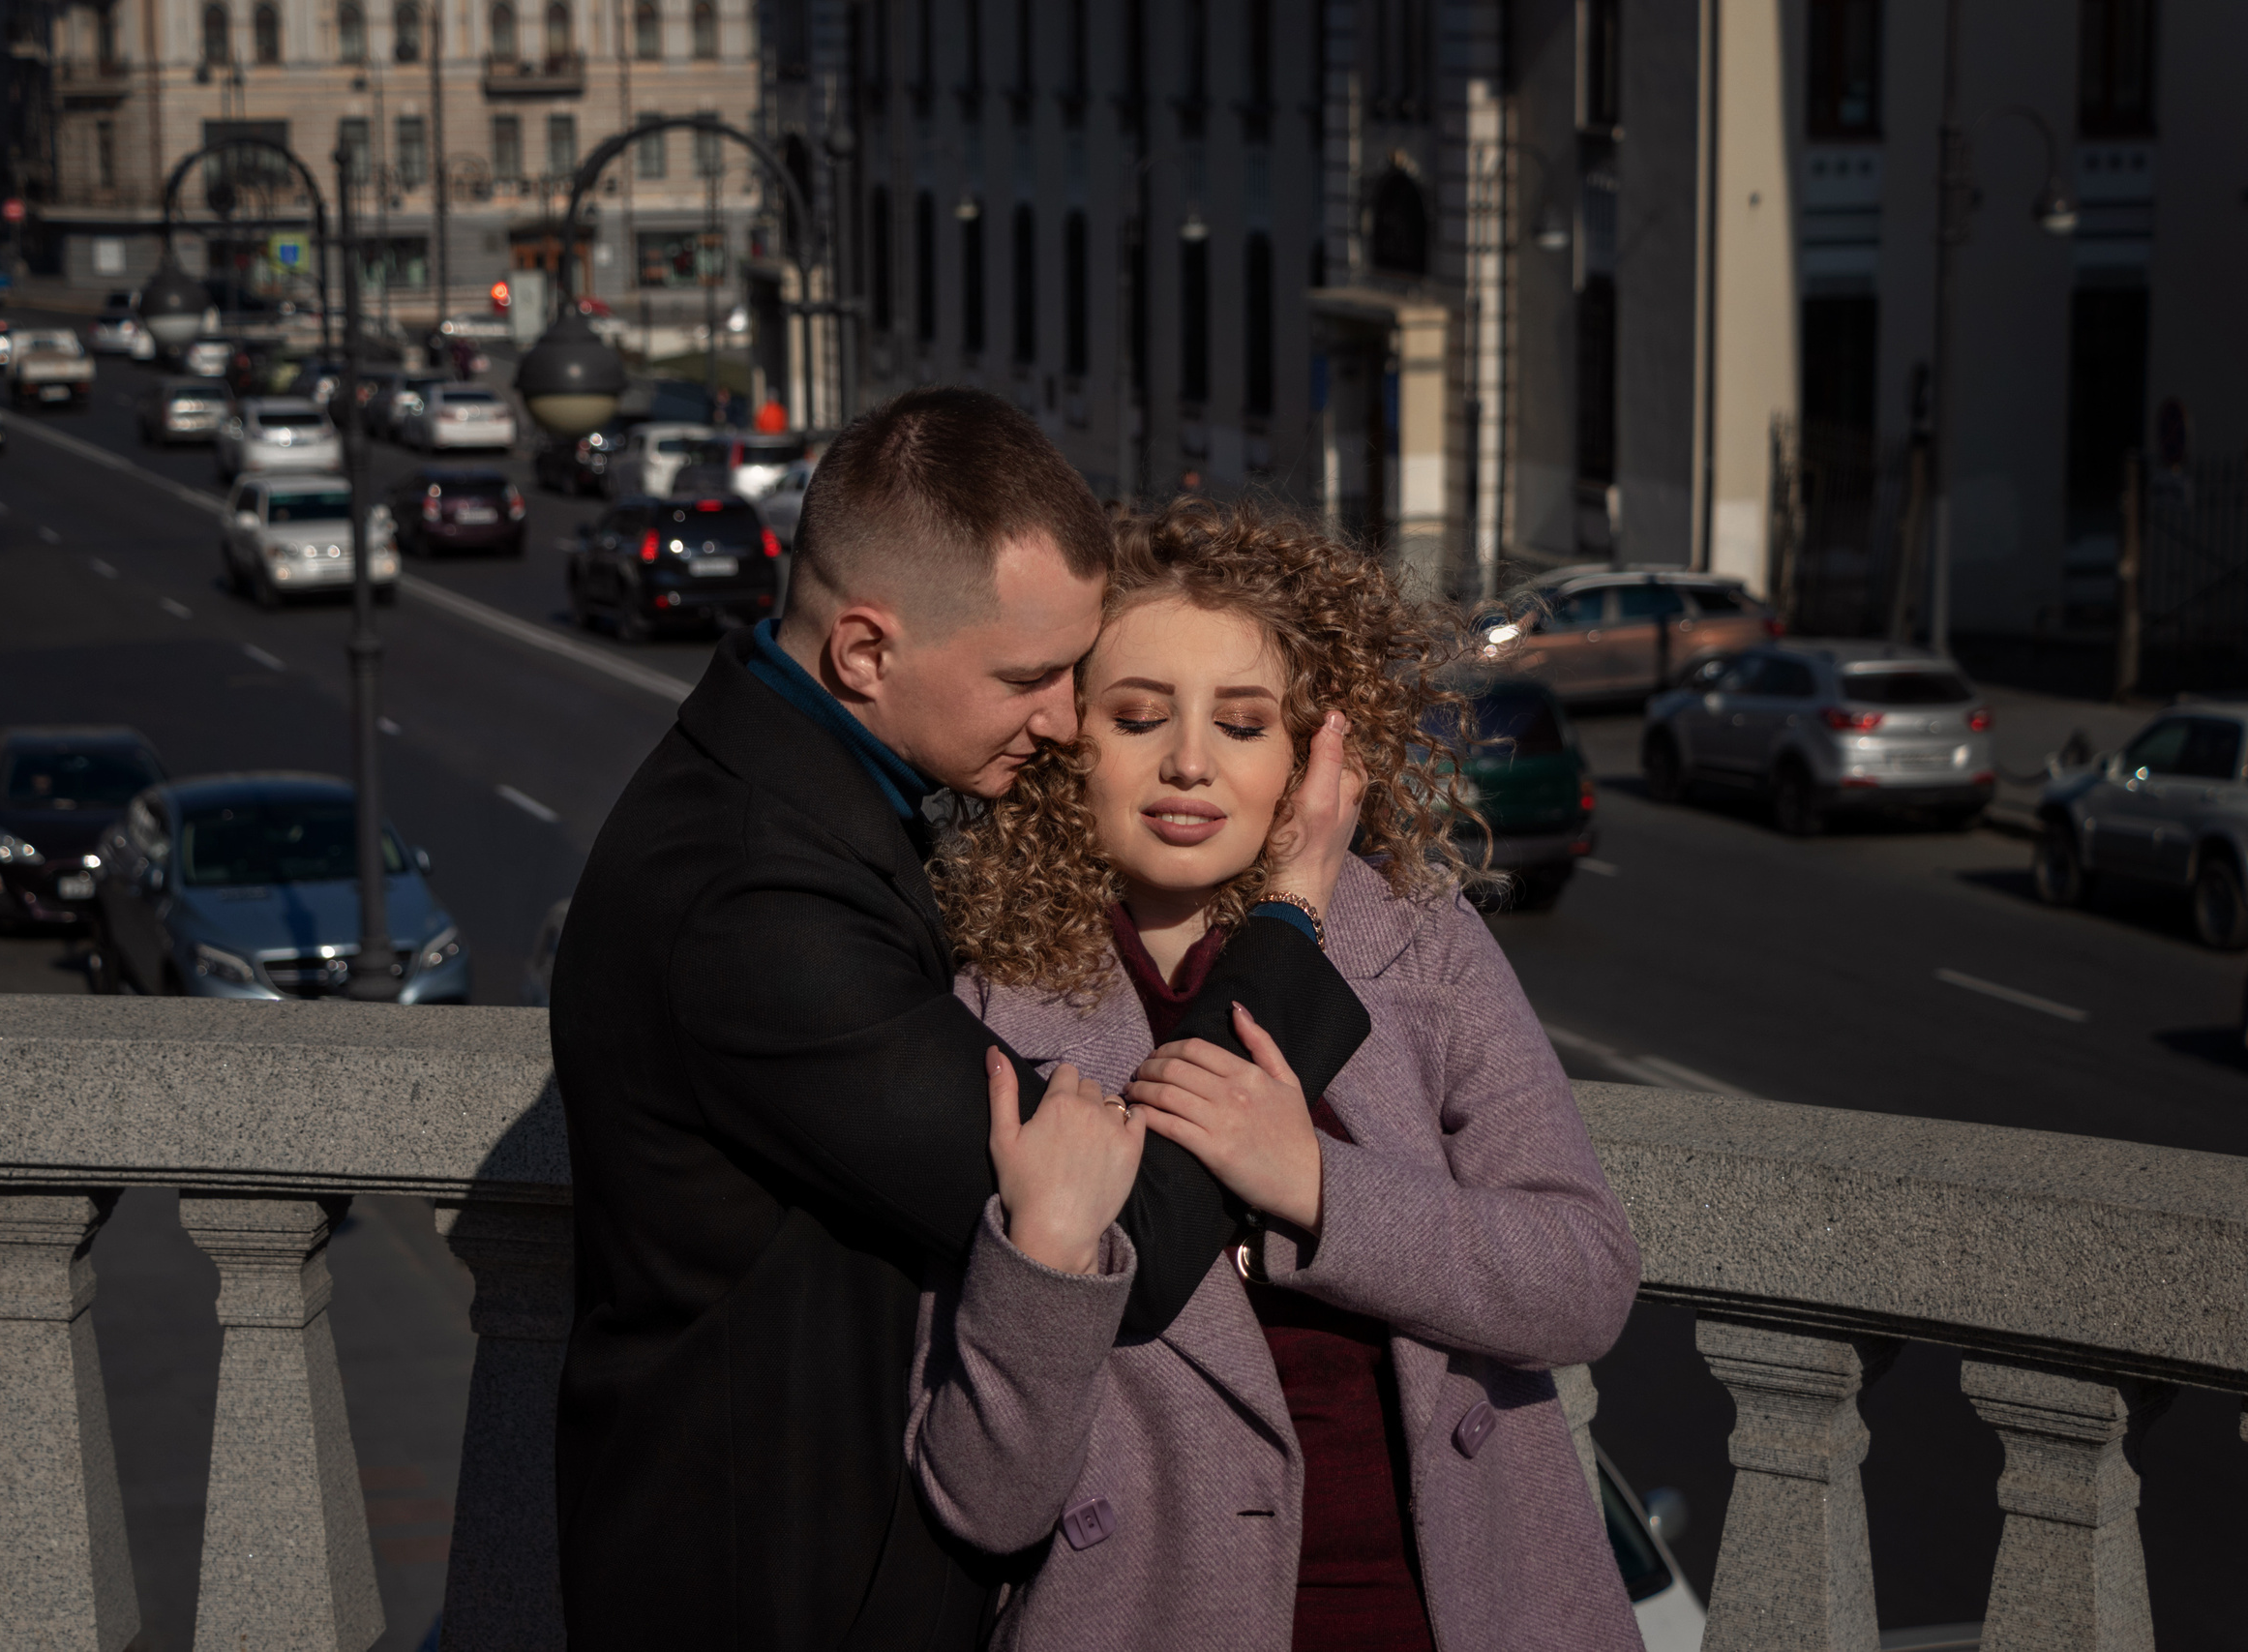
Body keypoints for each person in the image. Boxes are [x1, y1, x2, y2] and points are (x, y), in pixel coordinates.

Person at [547, 387, 1378, 1650]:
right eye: (1030, 677)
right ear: (866, 651)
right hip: (776, 1592)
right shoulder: (752, 904)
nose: (1059, 722)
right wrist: (1296, 913)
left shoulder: (793, 797)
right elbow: (1143, 1237)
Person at [909, 499, 1645, 1651]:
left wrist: (1319, 1189)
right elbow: (983, 1499)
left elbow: (1584, 1282)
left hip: (1453, 1611)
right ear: (1068, 737)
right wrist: (1044, 1266)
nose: (1190, 762)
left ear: (1315, 754)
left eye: (1243, 725)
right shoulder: (992, 1002)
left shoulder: (1415, 941)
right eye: (1140, 715)